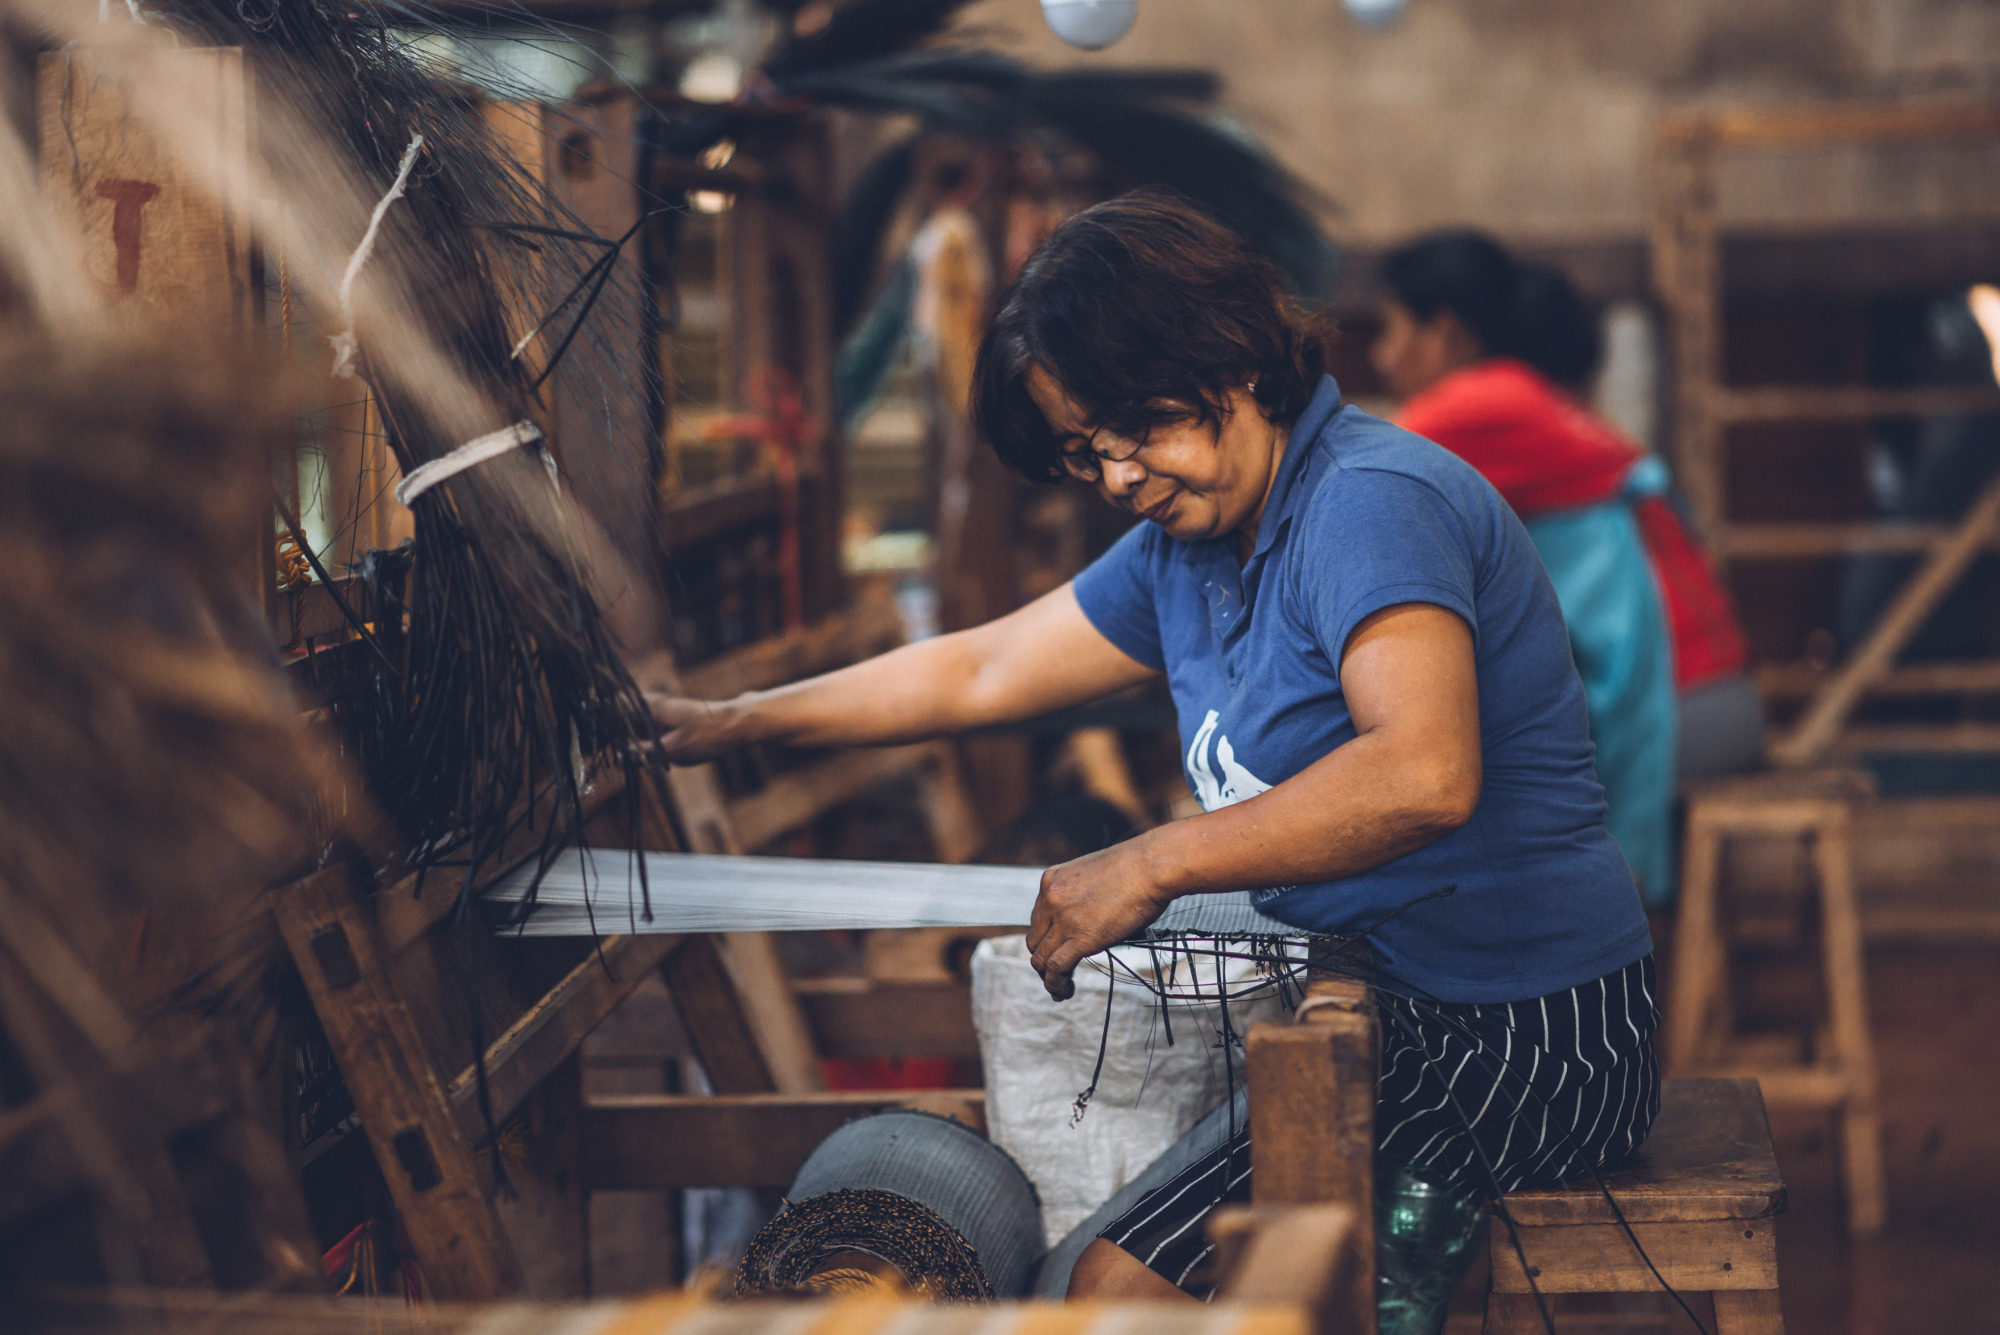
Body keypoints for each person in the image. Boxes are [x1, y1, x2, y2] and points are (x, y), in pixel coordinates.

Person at [650, 192, 1658, 1334]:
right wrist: (730, 720)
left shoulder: (1365, 505)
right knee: (1113, 1281)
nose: (1120, 475)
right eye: (1087, 454)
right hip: (1383, 1009)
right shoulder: (1191, 547)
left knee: (1118, 1299)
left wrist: (1150, 862)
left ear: (1229, 354)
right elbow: (977, 673)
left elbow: (1423, 773)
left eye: (1136, 426)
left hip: (1518, 1032)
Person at [1373, 232, 1761, 906]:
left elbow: (1349, 485)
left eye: (1390, 329)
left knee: (1454, 783)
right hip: (1716, 694)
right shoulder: (1533, 395)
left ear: (1444, 332)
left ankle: (1542, 984)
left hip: (1677, 709)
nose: (1381, 354)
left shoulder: (1479, 403)